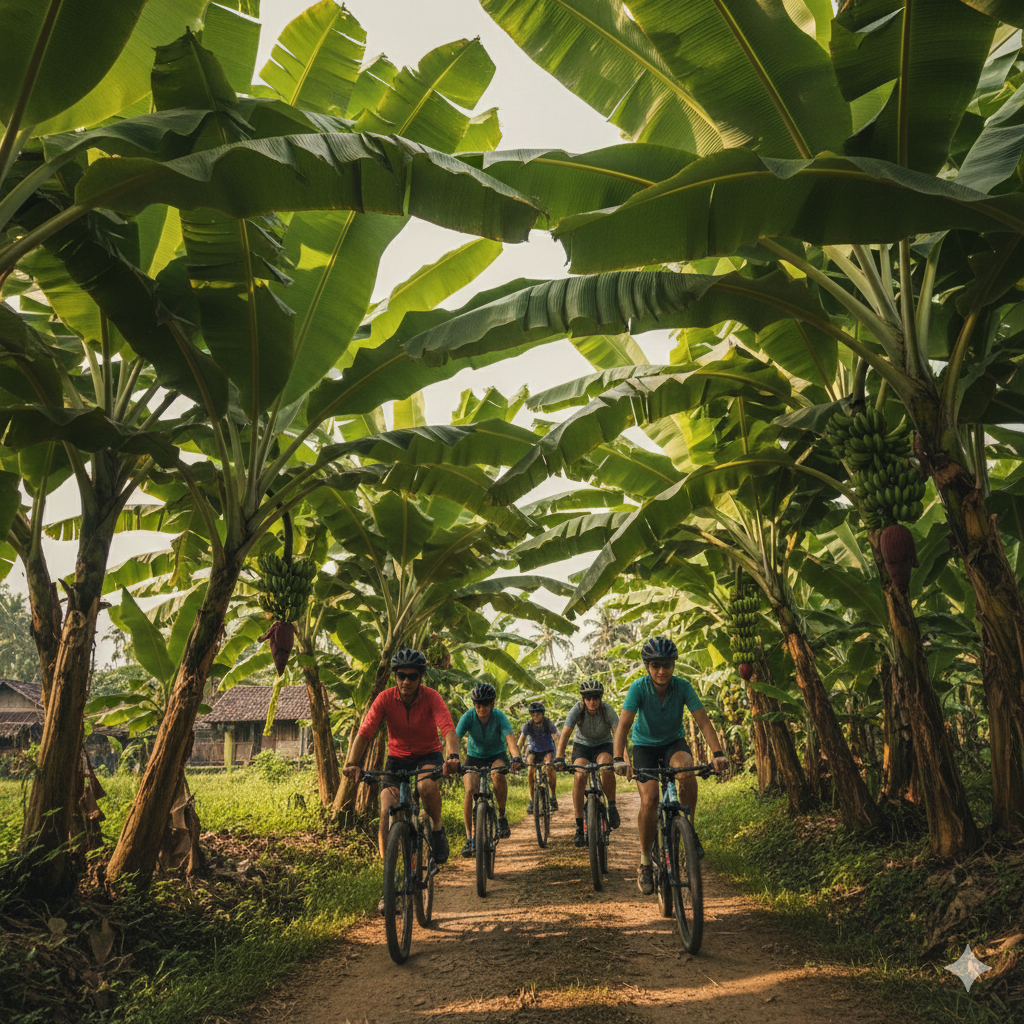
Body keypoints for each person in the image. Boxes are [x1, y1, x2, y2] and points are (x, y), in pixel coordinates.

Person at [342, 648, 460, 914]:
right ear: (395, 675)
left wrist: (452, 756)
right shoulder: (385, 698)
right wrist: (352, 763)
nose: (405, 681)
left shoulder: (432, 698)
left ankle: (438, 830)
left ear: (420, 677)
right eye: (400, 675)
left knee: (425, 786)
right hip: (396, 759)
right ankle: (390, 880)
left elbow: (448, 729)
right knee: (386, 807)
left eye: (412, 676)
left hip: (427, 755)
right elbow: (365, 732)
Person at [612, 636, 729, 896]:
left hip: (673, 743)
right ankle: (644, 863)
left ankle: (689, 827)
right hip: (644, 746)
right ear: (647, 667)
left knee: (685, 768)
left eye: (666, 665)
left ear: (673, 665)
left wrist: (718, 753)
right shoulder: (638, 689)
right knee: (650, 799)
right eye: (655, 665)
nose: (661, 671)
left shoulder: (683, 687)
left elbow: (704, 722)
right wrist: (619, 759)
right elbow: (622, 727)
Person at [455, 682, 523, 856]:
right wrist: (452, 758)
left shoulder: (499, 716)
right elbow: (454, 739)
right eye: (477, 705)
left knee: (497, 774)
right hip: (474, 757)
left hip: (497, 755)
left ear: (492, 704)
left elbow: (510, 739)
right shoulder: (468, 716)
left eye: (485, 704)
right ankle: (470, 838)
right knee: (470, 789)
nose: (481, 709)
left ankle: (501, 817)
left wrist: (515, 757)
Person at [554, 678, 621, 847]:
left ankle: (611, 806)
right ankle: (579, 826)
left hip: (603, 745)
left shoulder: (607, 710)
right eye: (588, 698)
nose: (592, 702)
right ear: (583, 699)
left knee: (606, 765)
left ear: (600, 698)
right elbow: (565, 733)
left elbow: (618, 735)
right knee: (579, 775)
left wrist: (622, 759)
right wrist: (559, 756)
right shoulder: (577, 709)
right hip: (582, 746)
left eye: (595, 698)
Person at [520, 700, 559, 814]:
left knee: (549, 767)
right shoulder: (528, 725)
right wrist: (517, 756)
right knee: (530, 770)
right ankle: (532, 800)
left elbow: (556, 738)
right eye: (533, 715)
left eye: (538, 714)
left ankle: (553, 796)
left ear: (543, 714)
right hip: (534, 750)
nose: (536, 717)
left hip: (548, 749)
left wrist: (559, 754)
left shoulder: (548, 723)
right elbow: (521, 741)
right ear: (531, 715)